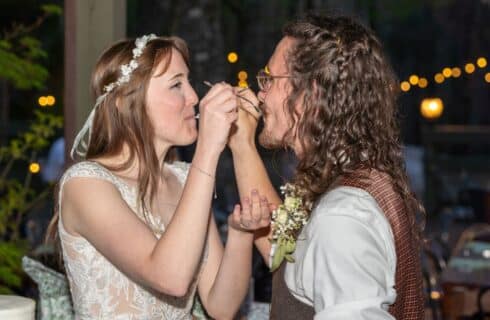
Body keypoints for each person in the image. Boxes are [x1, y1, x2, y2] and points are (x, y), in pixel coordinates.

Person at [46, 34, 271, 319]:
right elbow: (171, 278)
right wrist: (208, 149)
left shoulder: (185, 178)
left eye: (189, 82)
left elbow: (221, 306)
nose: (193, 97)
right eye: (176, 84)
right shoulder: (86, 184)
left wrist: (240, 235)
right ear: (125, 102)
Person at [229, 15, 425, 319]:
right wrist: (242, 141)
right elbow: (287, 256)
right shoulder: (355, 175)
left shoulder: (342, 217)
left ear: (311, 93)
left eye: (269, 79)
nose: (260, 93)